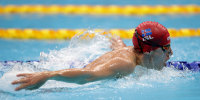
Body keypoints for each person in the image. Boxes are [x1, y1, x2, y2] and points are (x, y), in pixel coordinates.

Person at [11, 21, 173, 91]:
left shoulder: (134, 52)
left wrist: (117, 42)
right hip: (67, 81)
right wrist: (48, 75)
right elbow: (86, 76)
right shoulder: (125, 65)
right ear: (149, 50)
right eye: (166, 48)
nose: (170, 54)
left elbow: (123, 48)